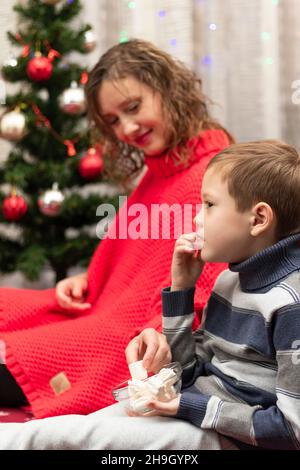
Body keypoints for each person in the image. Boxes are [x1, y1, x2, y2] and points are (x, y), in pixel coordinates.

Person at [1, 139, 299, 450]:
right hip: (194, 413)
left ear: (258, 219)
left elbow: (291, 429)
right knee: (77, 427)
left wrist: (184, 407)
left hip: (228, 437)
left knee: (57, 439)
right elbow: (187, 373)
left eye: (209, 205)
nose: (197, 219)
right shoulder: (229, 282)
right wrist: (181, 289)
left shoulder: (289, 304)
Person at [0, 39, 232, 418]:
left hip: (137, 328)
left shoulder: (214, 173)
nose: (126, 128)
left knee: (41, 351)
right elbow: (122, 260)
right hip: (105, 308)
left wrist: (161, 327)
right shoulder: (159, 169)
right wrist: (85, 281)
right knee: (9, 304)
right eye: (112, 121)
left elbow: (210, 283)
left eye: (133, 107)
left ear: (167, 90)